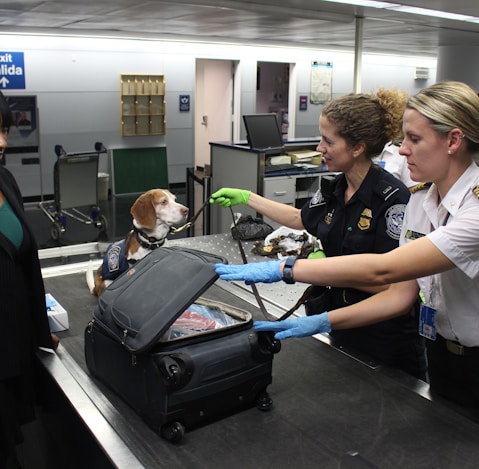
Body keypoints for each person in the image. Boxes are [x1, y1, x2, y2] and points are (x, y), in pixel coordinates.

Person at [214, 81, 479, 420]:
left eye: (414, 139)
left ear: (454, 141)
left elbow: (384, 271)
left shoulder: (467, 208)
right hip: (440, 351)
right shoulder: (421, 202)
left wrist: (285, 270)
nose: (401, 151)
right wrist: (323, 322)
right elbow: (400, 294)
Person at [210, 88, 426, 380]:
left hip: (381, 339)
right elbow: (301, 218)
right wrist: (247, 197)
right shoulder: (335, 187)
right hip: (339, 324)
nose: (319, 147)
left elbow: (389, 285)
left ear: (358, 148)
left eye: (328, 140)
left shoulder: (392, 200)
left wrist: (310, 269)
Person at [0, 91, 59, 468]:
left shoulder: (5, 180)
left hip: (16, 352)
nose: (2, 142)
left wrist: (41, 331)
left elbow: (26, 268)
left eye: (3, 129)